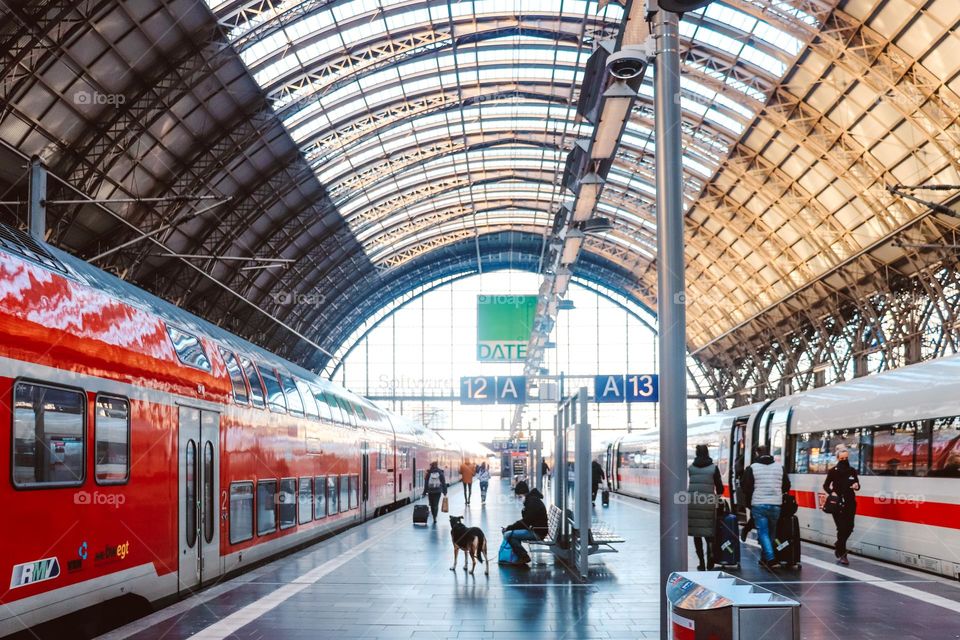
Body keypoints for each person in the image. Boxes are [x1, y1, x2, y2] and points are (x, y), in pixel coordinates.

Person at [741, 444, 790, 569]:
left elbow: (746, 487)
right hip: (776, 504)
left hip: (759, 504)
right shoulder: (780, 468)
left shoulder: (752, 468)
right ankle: (765, 558)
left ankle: (771, 558)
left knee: (763, 532)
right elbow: (786, 486)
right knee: (771, 532)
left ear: (757, 454)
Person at [688, 444, 723, 571]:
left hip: (693, 502)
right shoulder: (714, 468)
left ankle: (701, 563)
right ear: (707, 452)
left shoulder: (691, 468)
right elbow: (720, 489)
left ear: (696, 453)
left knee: (697, 534)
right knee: (709, 534)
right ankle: (710, 559)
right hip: (708, 502)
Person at [823, 444, 860, 565]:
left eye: (846, 458)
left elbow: (857, 484)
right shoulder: (833, 471)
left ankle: (839, 544)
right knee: (842, 528)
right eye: (842, 459)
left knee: (850, 527)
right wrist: (831, 492)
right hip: (837, 504)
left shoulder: (852, 471)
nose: (844, 461)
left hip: (850, 502)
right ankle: (843, 554)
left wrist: (856, 486)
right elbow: (826, 485)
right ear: (838, 459)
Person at [502, 488, 548, 564]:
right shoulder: (532, 501)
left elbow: (525, 522)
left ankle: (524, 557)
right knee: (511, 533)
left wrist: (509, 528)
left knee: (508, 535)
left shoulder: (532, 503)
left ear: (525, 494)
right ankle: (519, 556)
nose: (519, 499)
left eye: (520, 496)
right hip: (536, 529)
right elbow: (526, 521)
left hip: (538, 533)